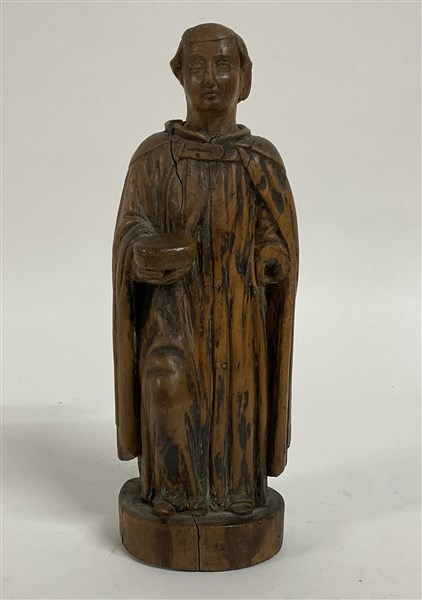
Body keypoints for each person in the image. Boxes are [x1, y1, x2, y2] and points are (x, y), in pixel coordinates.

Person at [113, 23, 299, 517]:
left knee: (237, 396)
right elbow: (130, 227)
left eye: (222, 65)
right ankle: (170, 490)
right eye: (196, 67)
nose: (210, 79)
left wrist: (271, 257)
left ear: (244, 75)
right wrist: (141, 251)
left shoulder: (259, 160)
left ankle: (238, 489)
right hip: (172, 313)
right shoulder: (154, 159)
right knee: (166, 383)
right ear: (179, 75)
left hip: (238, 311)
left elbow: (276, 232)